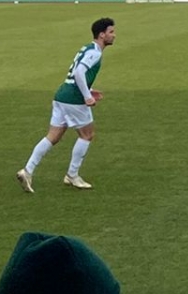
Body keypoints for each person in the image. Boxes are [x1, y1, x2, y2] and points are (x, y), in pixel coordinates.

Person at [17, 17, 116, 193]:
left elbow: (76, 75)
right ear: (102, 35)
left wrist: (90, 89)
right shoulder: (95, 52)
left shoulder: (87, 48)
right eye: (111, 32)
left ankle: (27, 171)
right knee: (87, 134)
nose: (113, 36)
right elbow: (79, 72)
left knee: (53, 136)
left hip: (62, 95)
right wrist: (86, 96)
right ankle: (72, 175)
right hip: (74, 100)